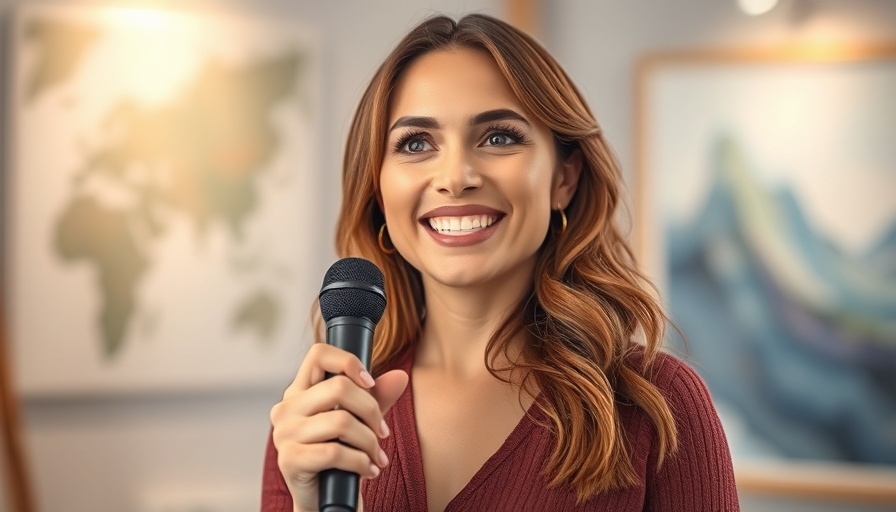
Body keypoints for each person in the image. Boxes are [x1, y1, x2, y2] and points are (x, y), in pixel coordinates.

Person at [262, 13, 738, 512]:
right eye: (416, 143)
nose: (456, 177)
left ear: (564, 179)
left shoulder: (659, 406)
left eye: (499, 137)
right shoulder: (318, 416)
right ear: (379, 190)